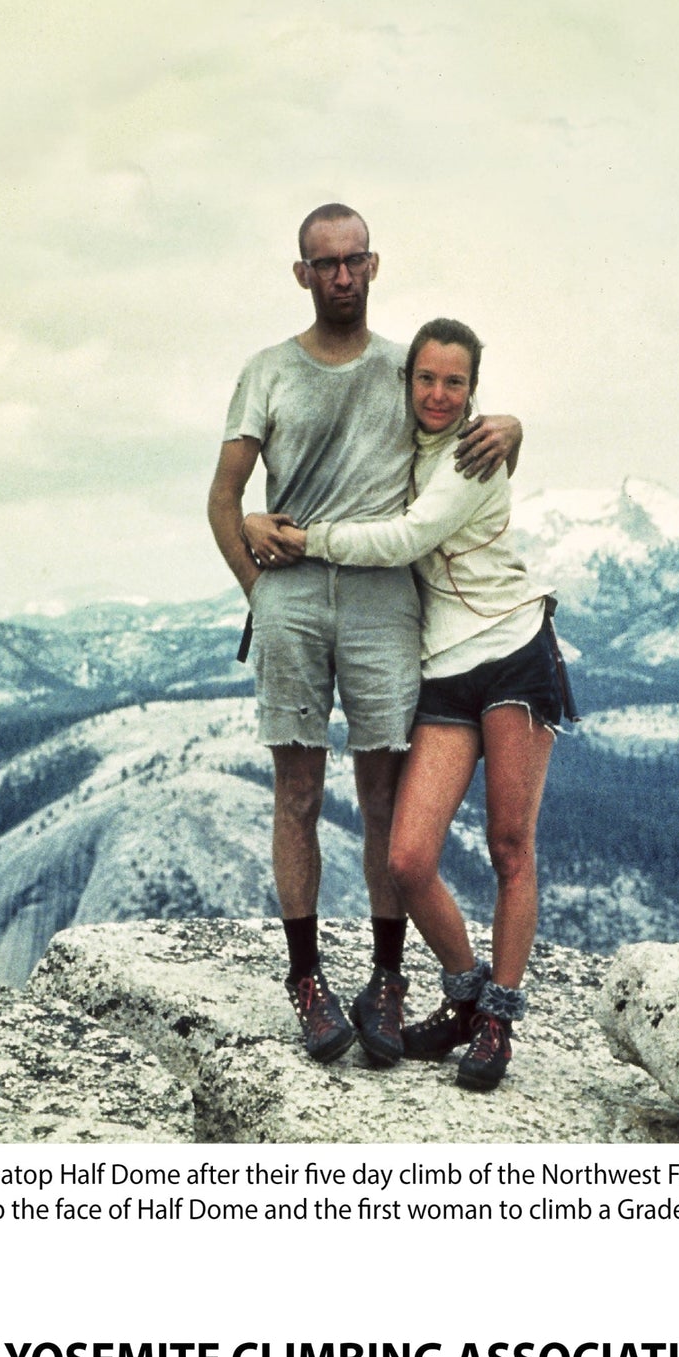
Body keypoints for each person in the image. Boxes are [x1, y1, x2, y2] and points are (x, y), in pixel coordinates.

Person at [206, 209, 521, 1068]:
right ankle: (305, 980)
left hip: (386, 602)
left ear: (374, 264)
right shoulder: (266, 371)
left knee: (384, 798)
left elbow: (467, 430)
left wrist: (516, 429)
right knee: (297, 793)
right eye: (325, 263)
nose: (342, 276)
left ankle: (388, 979)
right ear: (301, 273)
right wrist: (259, 593)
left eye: (354, 261)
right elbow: (223, 500)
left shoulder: (401, 368)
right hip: (295, 600)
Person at [272, 318, 574, 1091]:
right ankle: (467, 992)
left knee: (510, 846)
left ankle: (497, 1020)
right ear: (407, 381)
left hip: (511, 650)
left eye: (456, 382)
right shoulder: (411, 443)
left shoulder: (475, 452)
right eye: (426, 379)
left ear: (475, 389)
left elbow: (407, 537)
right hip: (442, 664)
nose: (438, 395)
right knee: (407, 859)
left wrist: (304, 539)